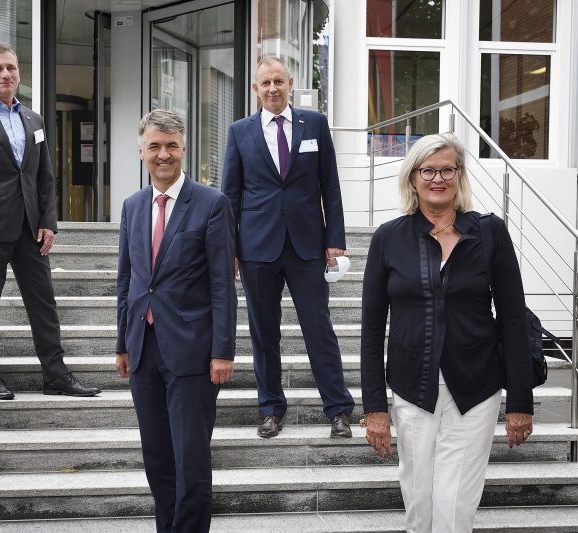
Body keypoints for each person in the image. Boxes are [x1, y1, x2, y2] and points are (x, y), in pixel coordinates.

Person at [360, 132, 534, 533]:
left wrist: (520, 403)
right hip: (411, 385)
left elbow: (512, 318)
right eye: (428, 170)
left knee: (455, 505)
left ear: (459, 175)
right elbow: (371, 331)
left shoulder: (490, 232)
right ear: (412, 178)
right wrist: (375, 409)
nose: (437, 178)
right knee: (419, 503)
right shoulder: (389, 237)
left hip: (475, 387)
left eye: (447, 169)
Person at [0, 42, 99, 399]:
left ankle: (56, 375)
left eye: (11, 68)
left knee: (43, 304)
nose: (6, 74)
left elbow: (44, 177)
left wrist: (49, 222)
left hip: (31, 230)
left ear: (18, 74)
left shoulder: (34, 120)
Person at [115, 109, 237, 533]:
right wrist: (122, 344)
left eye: (170, 146)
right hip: (144, 350)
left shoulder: (212, 203)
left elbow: (223, 284)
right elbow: (127, 280)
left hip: (192, 353)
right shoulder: (132, 206)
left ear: (184, 148)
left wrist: (223, 351)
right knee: (158, 462)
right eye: (154, 146)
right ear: (141, 151)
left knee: (191, 463)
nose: (162, 154)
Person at [221, 55, 354, 439]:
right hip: (256, 247)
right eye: (266, 83)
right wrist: (228, 249)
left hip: (307, 244)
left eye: (279, 81)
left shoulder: (313, 124)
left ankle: (339, 410)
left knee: (319, 328)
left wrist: (335, 241)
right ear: (255, 89)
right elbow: (230, 195)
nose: (273, 89)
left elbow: (329, 184)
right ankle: (270, 409)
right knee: (264, 332)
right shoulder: (239, 132)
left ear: (290, 82)